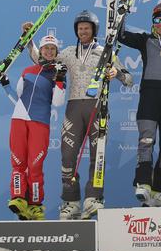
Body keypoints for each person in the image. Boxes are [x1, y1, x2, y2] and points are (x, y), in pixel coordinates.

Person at [23, 11, 133, 220]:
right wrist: (30, 40)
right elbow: (43, 60)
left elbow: (129, 79)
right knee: (68, 156)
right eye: (80, 28)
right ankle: (71, 202)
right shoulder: (68, 52)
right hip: (74, 108)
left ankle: (94, 198)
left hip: (97, 108)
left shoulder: (105, 51)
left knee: (97, 155)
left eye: (87, 28)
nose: (83, 31)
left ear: (94, 30)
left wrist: (116, 73)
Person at [119, 3, 161, 207]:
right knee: (146, 141)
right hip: (149, 95)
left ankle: (160, 191)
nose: (160, 23)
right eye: (156, 20)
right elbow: (120, 35)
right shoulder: (145, 40)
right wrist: (122, 12)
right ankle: (143, 184)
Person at [2, 35, 67, 220]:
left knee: (34, 165)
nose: (48, 51)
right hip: (18, 120)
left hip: (40, 123)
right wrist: (6, 86)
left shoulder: (56, 73)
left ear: (56, 53)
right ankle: (18, 198)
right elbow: (18, 99)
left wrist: (60, 80)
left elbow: (57, 102)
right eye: (46, 48)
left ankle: (36, 205)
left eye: (52, 49)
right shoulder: (28, 70)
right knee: (18, 163)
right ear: (41, 51)